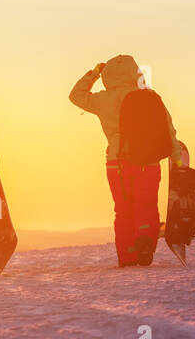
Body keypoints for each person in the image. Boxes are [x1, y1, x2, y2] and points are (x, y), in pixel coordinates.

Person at [69, 54, 184, 266]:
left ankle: (128, 255)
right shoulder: (149, 96)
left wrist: (94, 73)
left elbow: (75, 96)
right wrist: (177, 158)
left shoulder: (102, 99)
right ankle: (145, 241)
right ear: (135, 72)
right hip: (148, 162)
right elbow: (168, 128)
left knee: (123, 210)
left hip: (117, 163)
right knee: (147, 205)